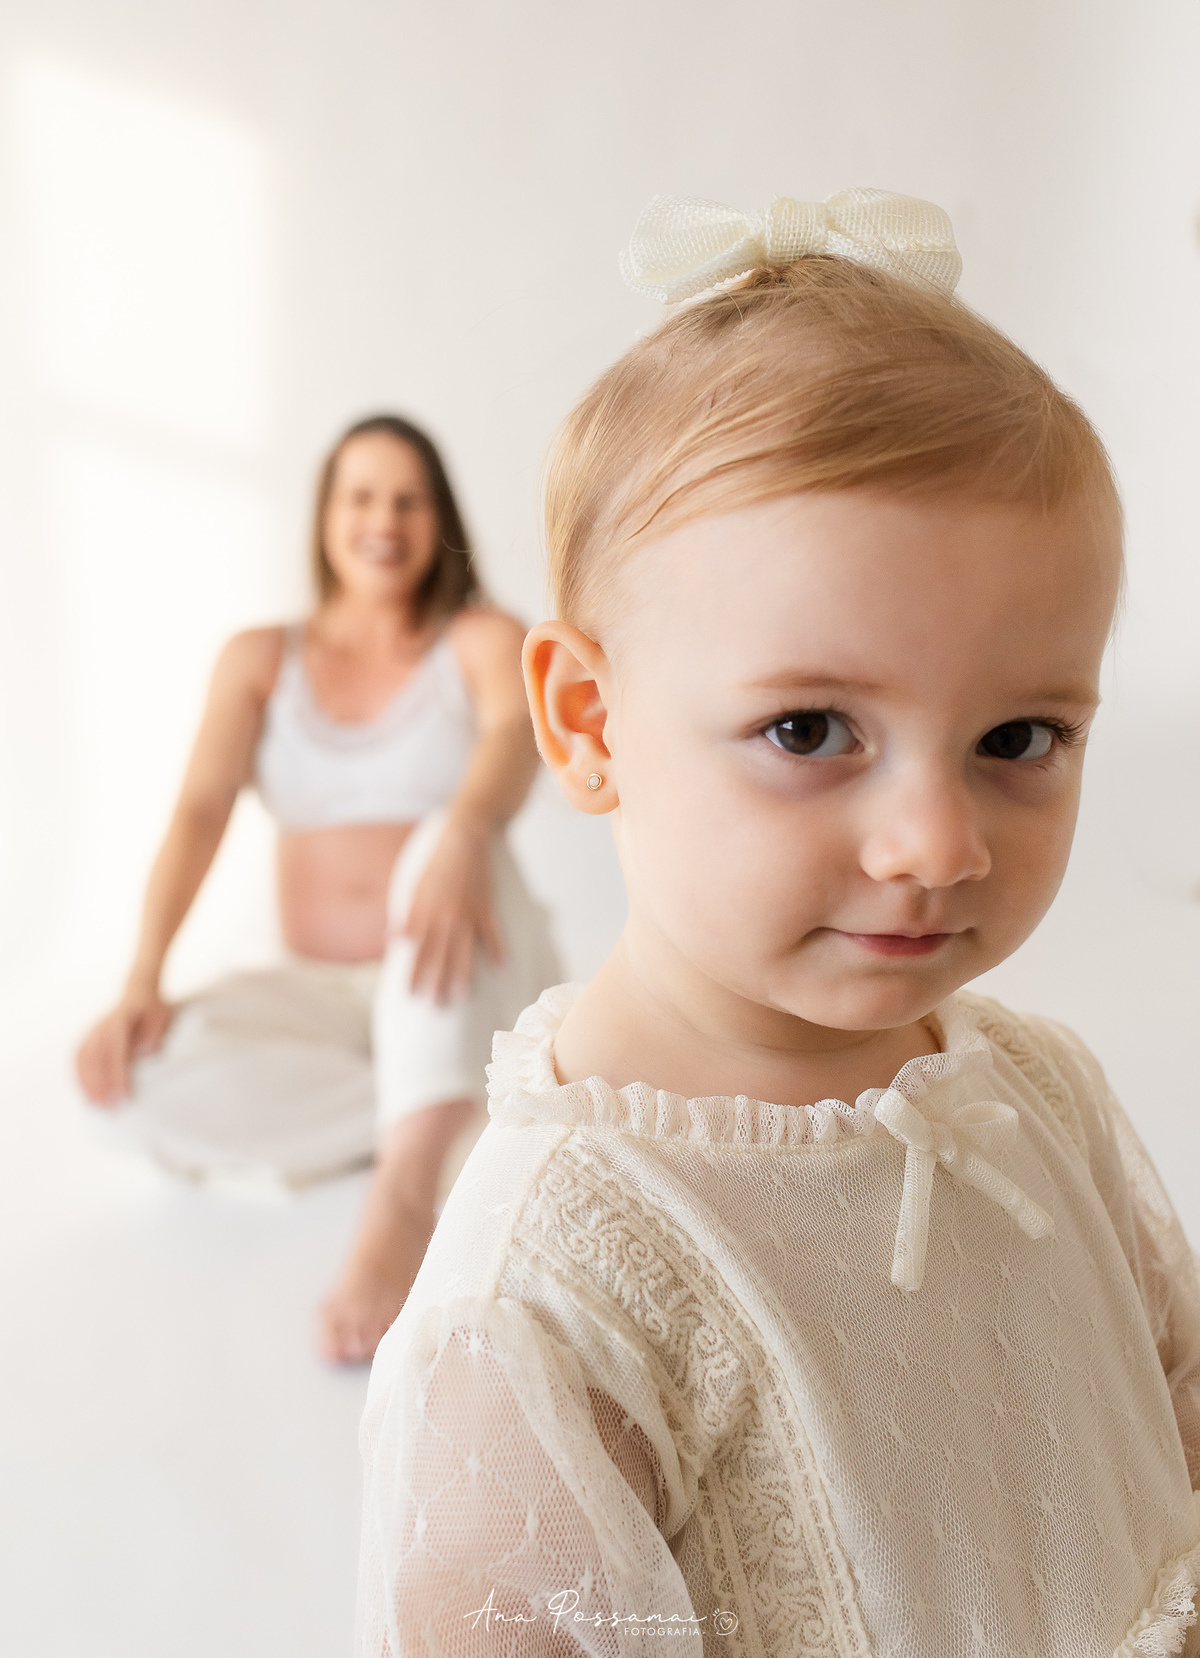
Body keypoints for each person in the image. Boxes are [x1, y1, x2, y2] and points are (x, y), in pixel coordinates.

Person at [355, 191, 1200, 1657]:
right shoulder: (547, 1296)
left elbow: (1172, 1417)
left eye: (1020, 735)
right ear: (587, 717)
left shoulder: (1037, 1094)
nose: (937, 844)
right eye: (810, 727)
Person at [75, 413, 559, 1365]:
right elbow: (200, 810)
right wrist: (141, 979)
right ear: (326, 517)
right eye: (362, 496)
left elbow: (514, 734)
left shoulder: (477, 635)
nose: (385, 519)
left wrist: (462, 829)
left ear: (439, 516)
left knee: (432, 850)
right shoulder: (261, 657)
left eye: (409, 498)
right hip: (327, 995)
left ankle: (407, 1194)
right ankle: (444, 1115)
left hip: (469, 967)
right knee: (122, 1089)